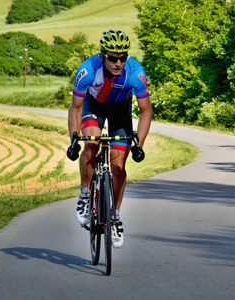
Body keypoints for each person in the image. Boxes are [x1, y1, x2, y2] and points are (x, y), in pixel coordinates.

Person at [67, 29, 152, 248]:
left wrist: (139, 145)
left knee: (118, 168)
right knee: (92, 144)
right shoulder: (87, 70)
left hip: (120, 111)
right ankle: (85, 196)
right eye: (113, 58)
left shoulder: (135, 73)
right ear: (103, 54)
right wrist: (73, 140)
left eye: (123, 57)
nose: (118, 63)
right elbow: (75, 109)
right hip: (93, 105)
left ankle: (114, 217)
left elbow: (145, 111)